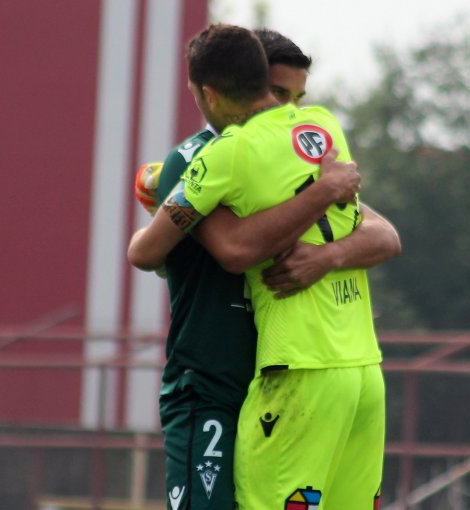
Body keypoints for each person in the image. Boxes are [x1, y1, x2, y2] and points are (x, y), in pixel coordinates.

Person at [129, 24, 395, 509]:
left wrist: (325, 256)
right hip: (218, 381)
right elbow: (222, 249)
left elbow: (383, 233)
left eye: (298, 95)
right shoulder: (315, 131)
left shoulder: (256, 148)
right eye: (280, 92)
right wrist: (323, 193)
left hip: (292, 369)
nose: (291, 105)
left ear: (207, 90)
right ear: (257, 79)